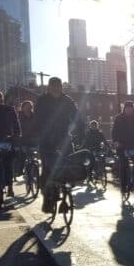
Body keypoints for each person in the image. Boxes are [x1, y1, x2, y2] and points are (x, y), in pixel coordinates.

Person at [34, 77, 84, 213]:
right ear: (48, 87)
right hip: (46, 140)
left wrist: (80, 136)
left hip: (63, 138)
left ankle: (65, 196)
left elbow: (77, 118)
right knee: (47, 170)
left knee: (69, 166)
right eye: (54, 86)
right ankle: (48, 199)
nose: (57, 89)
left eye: (59, 86)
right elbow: (37, 121)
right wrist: (38, 137)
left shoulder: (67, 101)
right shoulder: (42, 101)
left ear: (62, 87)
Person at [111, 101, 134, 186]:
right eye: (127, 108)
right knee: (123, 163)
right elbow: (114, 131)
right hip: (121, 145)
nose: (129, 110)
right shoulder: (119, 118)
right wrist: (115, 141)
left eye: (130, 108)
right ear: (124, 109)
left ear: (133, 109)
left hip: (133, 145)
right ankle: (123, 185)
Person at [14, 100, 38, 177]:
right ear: (22, 108)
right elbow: (15, 128)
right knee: (22, 153)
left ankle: (36, 170)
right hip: (22, 139)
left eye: (29, 107)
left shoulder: (35, 116)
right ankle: (20, 170)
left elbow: (39, 127)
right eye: (26, 107)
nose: (28, 108)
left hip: (34, 139)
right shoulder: (18, 117)